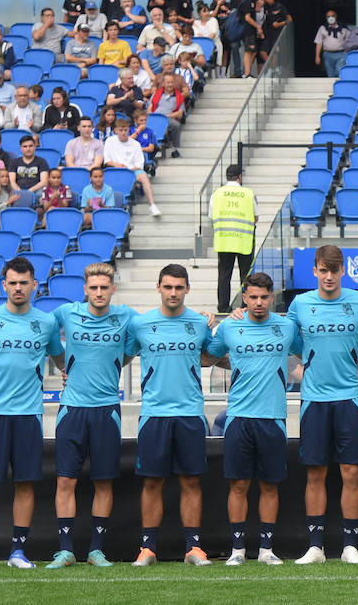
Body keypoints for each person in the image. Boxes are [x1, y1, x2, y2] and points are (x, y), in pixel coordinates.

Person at [0, 257, 65, 571]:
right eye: (12, 283)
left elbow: (61, 360)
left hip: (29, 415)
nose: (18, 288)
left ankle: (18, 553)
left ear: (34, 285)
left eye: (24, 282)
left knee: (26, 484)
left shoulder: (46, 323)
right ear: (4, 285)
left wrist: (68, 373)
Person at [285, 245, 358, 564]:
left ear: (343, 271)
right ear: (314, 271)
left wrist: (352, 364)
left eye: (334, 270)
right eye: (323, 270)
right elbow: (292, 344)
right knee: (315, 473)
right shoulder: (300, 304)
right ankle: (316, 547)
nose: (329, 276)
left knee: (351, 472)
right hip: (313, 400)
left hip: (350, 398)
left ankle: (350, 545)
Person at [206, 272, 300, 567]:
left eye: (264, 297)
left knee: (270, 485)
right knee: (239, 485)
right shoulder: (230, 326)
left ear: (272, 298)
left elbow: (305, 353)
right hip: (238, 417)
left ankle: (266, 549)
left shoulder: (286, 327)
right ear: (244, 298)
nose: (259, 302)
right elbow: (208, 357)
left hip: (273, 418)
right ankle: (237, 550)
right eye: (253, 297)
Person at [125, 264, 214, 567]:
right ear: (158, 288)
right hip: (154, 414)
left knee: (191, 482)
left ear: (187, 289)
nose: (173, 292)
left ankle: (194, 548)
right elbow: (119, 355)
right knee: (152, 483)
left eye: (179, 287)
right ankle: (148, 549)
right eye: (168, 287)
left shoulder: (200, 324)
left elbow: (212, 356)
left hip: (190, 413)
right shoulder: (141, 324)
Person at [209, 163, 256, 313]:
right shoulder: (248, 194)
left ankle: (223, 308)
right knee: (246, 276)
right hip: (244, 240)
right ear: (239, 177)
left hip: (224, 240)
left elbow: (211, 216)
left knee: (224, 275)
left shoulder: (217, 194)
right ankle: (246, 306)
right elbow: (256, 216)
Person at [150, 73, 185, 157]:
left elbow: (180, 113)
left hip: (168, 118)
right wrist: (150, 115)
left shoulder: (179, 97)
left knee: (176, 125)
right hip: (155, 117)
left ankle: (175, 147)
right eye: (168, 82)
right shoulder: (156, 94)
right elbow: (150, 106)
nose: (170, 84)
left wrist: (167, 116)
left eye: (172, 82)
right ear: (163, 84)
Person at [314, 10, 351, 78]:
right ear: (326, 18)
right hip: (327, 54)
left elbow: (349, 41)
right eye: (328, 16)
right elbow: (319, 42)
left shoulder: (343, 28)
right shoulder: (323, 28)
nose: (330, 18)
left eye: (332, 16)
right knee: (330, 74)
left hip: (341, 54)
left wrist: (348, 53)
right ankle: (332, 88)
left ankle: (339, 87)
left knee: (339, 71)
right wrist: (317, 56)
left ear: (336, 16)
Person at [194, 2, 223, 77]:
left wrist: (206, 42)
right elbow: (197, 35)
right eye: (204, 11)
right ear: (199, 14)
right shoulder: (196, 22)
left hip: (213, 45)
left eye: (208, 11)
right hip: (200, 46)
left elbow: (213, 34)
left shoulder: (213, 20)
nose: (207, 13)